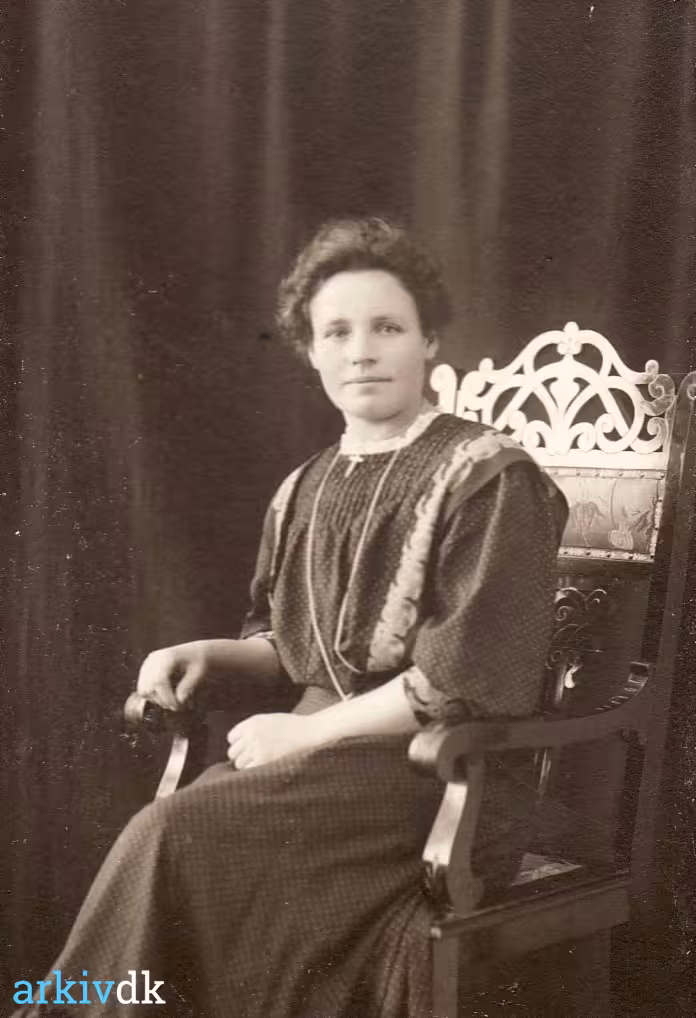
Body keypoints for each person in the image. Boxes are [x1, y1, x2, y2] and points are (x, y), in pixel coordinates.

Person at [12, 217, 567, 1017]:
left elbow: (463, 680)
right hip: (317, 763)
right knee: (184, 840)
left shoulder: (489, 476)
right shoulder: (307, 484)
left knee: (173, 836)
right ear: (310, 351)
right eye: (336, 332)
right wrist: (210, 653)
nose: (361, 351)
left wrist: (304, 735)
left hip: (442, 776)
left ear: (430, 340)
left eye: (387, 327)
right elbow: (295, 643)